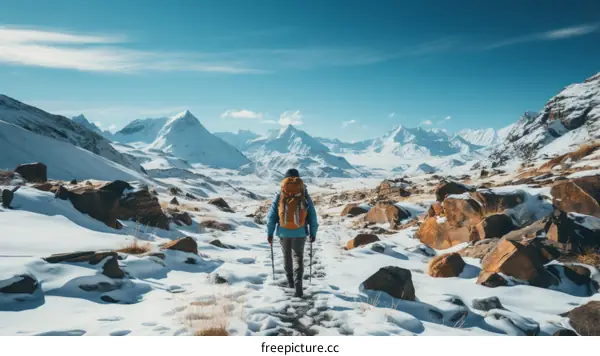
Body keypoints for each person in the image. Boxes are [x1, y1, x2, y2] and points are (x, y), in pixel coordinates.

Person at [267, 168, 318, 297]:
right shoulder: (304, 195)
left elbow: (272, 216)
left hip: (284, 233)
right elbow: (312, 215)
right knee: (298, 257)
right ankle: (298, 284)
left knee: (287, 257)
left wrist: (270, 233)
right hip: (300, 232)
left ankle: (290, 282)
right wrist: (313, 232)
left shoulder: (280, 195)